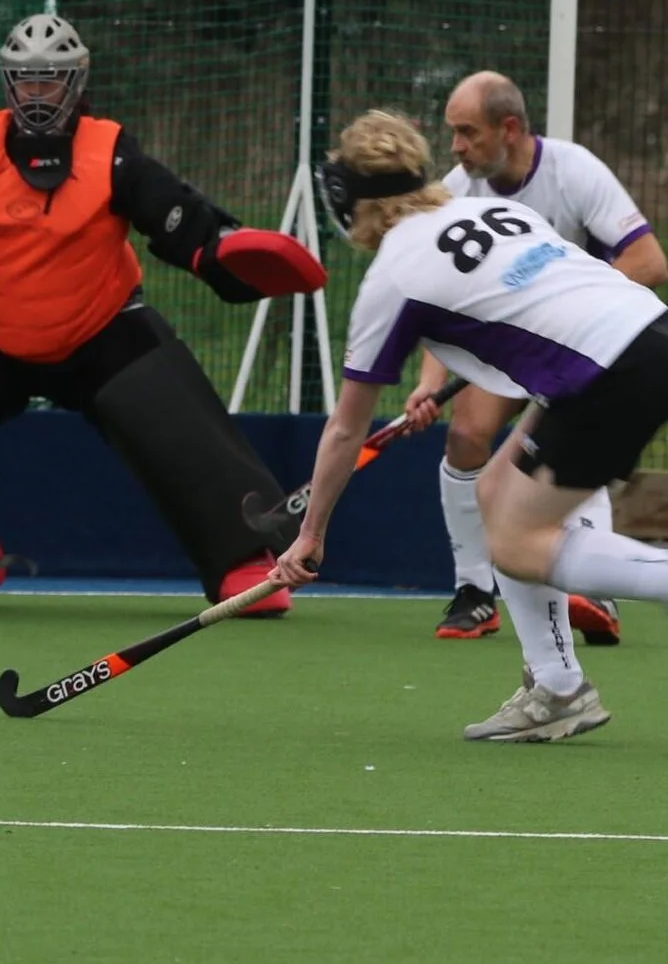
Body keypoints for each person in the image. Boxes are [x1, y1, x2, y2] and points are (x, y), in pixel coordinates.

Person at [0, 13, 325, 611]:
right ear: (7, 83)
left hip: (102, 329)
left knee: (184, 428)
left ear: (77, 82)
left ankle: (246, 560)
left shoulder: (111, 152)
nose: (37, 94)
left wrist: (221, 246)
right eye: (26, 80)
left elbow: (173, 214)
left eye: (51, 80)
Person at [276, 110, 668, 741]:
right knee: (492, 493)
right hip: (647, 333)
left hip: (608, 372)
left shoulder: (393, 276)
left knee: (517, 544)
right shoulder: (489, 210)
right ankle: (557, 688)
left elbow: (347, 429)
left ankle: (568, 678)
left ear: (349, 200)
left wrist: (310, 534)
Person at [402, 71, 663, 646]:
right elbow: (434, 296)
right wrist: (428, 382)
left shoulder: (574, 170)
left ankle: (593, 591)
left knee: (571, 443)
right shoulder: (457, 191)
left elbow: (648, 261)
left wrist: (561, 308)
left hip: (584, 343)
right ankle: (474, 590)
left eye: (468, 132)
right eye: (453, 132)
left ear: (510, 128)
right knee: (465, 435)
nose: (457, 147)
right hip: (510, 349)